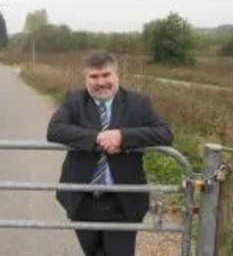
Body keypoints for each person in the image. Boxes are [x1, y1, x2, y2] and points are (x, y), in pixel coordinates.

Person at [46, 52, 173, 256]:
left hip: (122, 201)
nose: (101, 82)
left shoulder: (138, 102)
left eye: (106, 75)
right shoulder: (74, 100)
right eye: (94, 76)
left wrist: (122, 137)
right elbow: (54, 130)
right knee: (93, 252)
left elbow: (165, 133)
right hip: (82, 200)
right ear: (85, 78)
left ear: (117, 74)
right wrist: (98, 138)